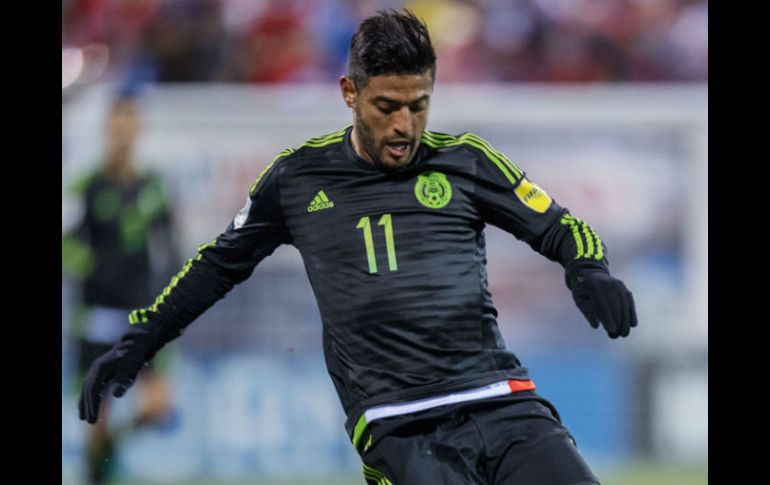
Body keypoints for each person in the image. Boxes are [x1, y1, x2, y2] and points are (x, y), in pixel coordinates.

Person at [79, 10, 637, 485]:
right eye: (386, 106)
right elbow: (217, 266)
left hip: (500, 397)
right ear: (350, 93)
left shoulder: (466, 161)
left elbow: (561, 227)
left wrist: (589, 268)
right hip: (399, 423)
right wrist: (141, 338)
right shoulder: (298, 179)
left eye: (418, 105)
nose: (404, 126)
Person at [64, 95, 178, 485]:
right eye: (116, 127)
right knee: (95, 420)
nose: (123, 134)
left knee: (158, 406)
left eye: (129, 126)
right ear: (107, 132)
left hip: (139, 313)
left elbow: (171, 245)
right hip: (96, 316)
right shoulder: (88, 186)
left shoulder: (153, 187)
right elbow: (68, 243)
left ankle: (112, 446)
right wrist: (92, 267)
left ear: (137, 131)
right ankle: (97, 471)